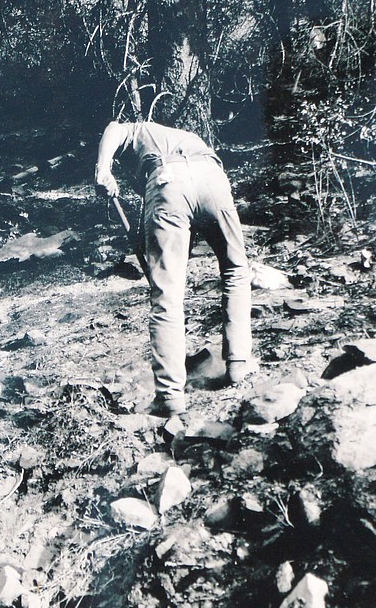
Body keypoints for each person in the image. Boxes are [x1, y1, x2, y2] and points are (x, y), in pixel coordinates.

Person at [94, 120, 255, 439]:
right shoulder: (183, 137)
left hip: (168, 181)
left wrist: (103, 169)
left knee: (166, 294)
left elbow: (114, 128)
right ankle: (238, 365)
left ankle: (170, 397)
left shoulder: (139, 130)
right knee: (236, 270)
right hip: (213, 180)